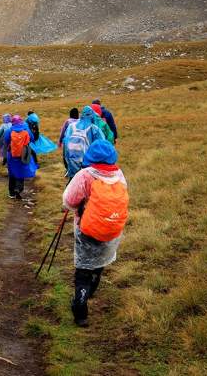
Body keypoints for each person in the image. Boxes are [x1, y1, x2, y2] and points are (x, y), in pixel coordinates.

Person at [62, 139, 129, 327]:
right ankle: (91, 289)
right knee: (99, 264)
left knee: (83, 270)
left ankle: (81, 311)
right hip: (112, 228)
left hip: (87, 229)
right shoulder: (119, 175)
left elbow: (69, 201)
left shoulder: (85, 175)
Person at [63, 106, 105, 180]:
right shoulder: (94, 129)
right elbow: (103, 148)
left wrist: (67, 165)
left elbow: (65, 146)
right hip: (88, 168)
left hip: (72, 164)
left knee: (73, 186)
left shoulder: (71, 127)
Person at [3, 115, 37, 199]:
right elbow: (32, 139)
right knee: (21, 171)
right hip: (23, 154)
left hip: (12, 155)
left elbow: (5, 141)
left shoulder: (9, 131)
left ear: (12, 122)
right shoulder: (26, 130)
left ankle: (11, 193)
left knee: (12, 172)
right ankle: (18, 188)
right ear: (21, 121)